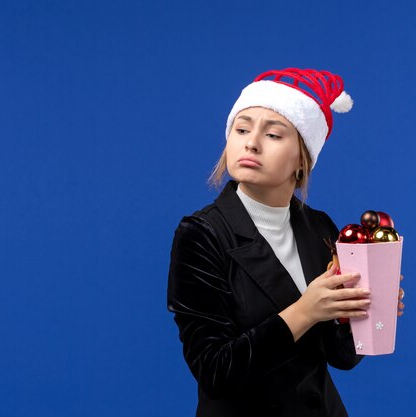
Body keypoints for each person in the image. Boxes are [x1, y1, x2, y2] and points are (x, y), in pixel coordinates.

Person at [167, 68, 403, 416]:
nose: (251, 142)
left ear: (302, 159)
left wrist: (363, 312)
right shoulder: (201, 234)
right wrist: (306, 310)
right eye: (242, 128)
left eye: (273, 134)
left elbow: (340, 357)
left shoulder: (318, 226)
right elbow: (215, 371)